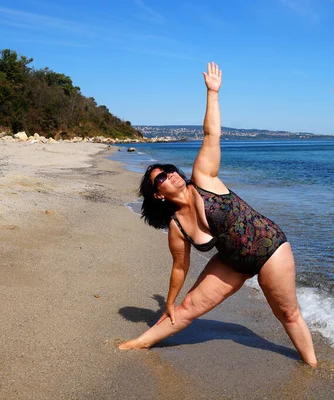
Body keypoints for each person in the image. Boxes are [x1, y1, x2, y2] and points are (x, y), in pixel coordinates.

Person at [118, 62, 317, 367]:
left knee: (287, 313)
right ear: (157, 194)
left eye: (169, 171)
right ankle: (138, 344)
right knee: (186, 309)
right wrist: (169, 301)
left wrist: (212, 93)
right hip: (231, 262)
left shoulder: (204, 179)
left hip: (268, 247)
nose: (169, 175)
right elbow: (179, 267)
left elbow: (212, 134)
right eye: (160, 178)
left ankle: (311, 365)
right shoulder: (177, 226)